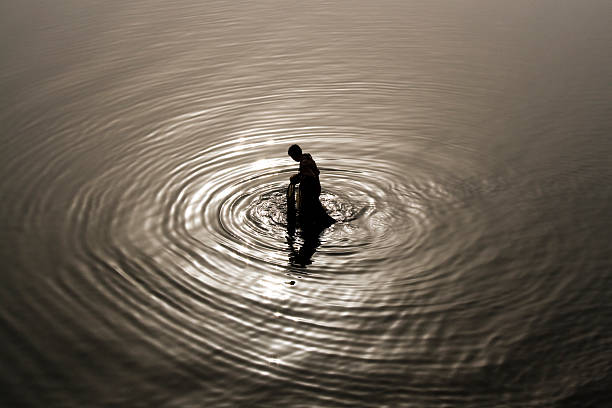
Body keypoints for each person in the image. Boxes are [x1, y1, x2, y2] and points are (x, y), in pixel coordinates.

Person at [287, 144, 335, 230]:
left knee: (311, 210)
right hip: (316, 188)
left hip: (310, 190)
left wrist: (296, 178)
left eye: (292, 157)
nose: (293, 159)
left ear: (295, 155)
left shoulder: (304, 162)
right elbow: (315, 173)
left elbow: (310, 175)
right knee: (314, 207)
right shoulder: (307, 158)